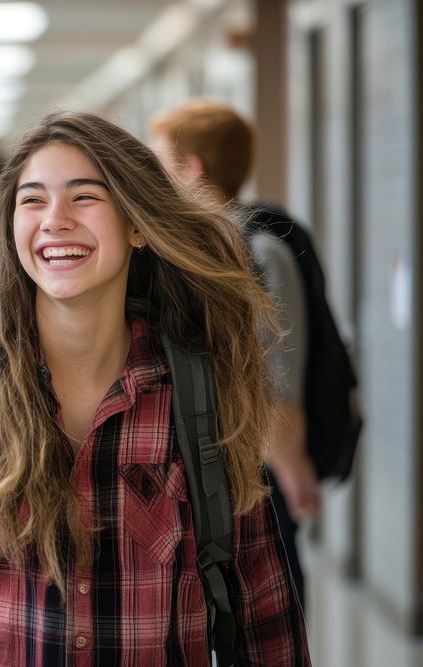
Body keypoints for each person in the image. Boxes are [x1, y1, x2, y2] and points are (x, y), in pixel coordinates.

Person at [0, 110, 310, 664]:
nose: (55, 219)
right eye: (32, 200)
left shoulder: (198, 391)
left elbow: (261, 598)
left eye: (84, 197)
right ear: (10, 228)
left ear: (137, 225)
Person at [150, 98, 319, 601]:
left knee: (271, 599)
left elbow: (278, 371)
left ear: (192, 168)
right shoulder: (182, 250)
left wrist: (291, 466)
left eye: (160, 163)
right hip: (208, 469)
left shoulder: (258, 250)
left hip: (258, 474)